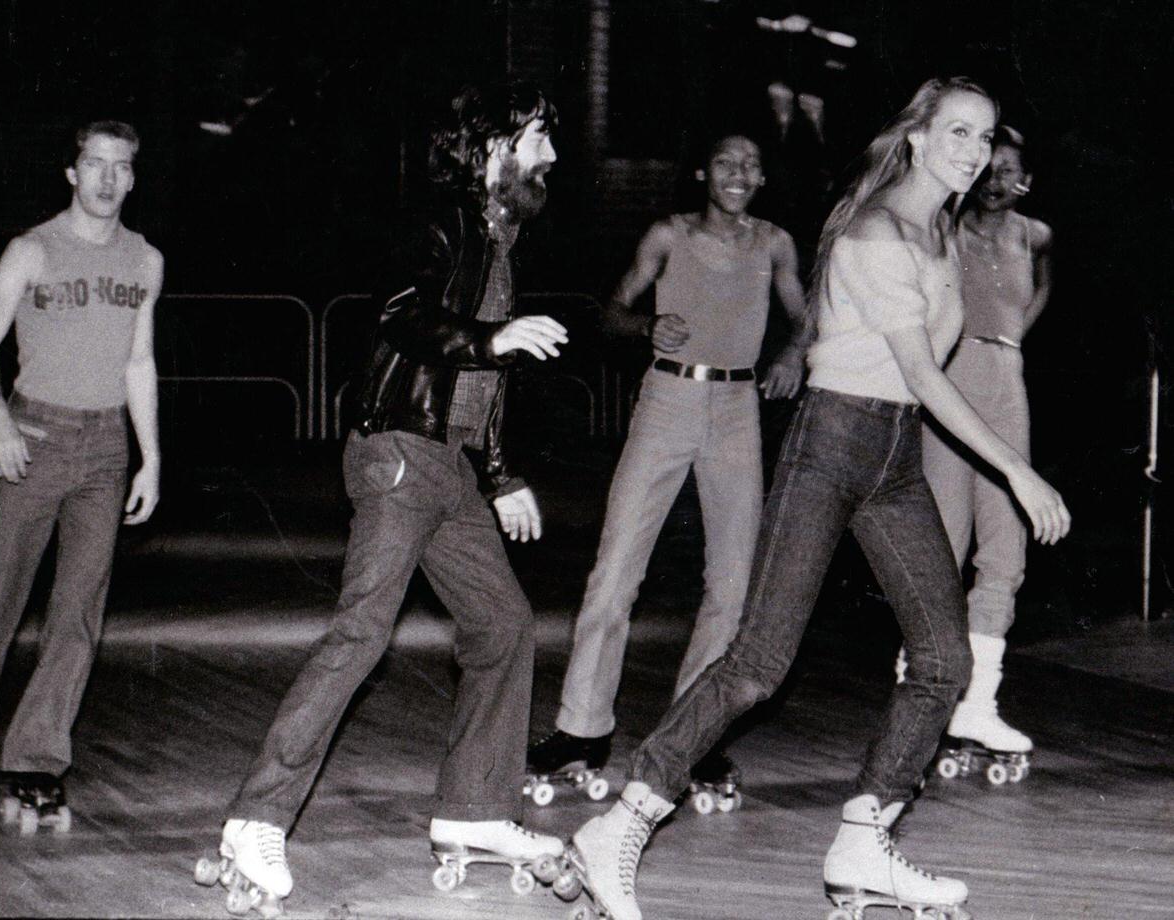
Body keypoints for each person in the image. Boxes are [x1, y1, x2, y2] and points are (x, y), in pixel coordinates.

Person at [558, 77, 1070, 920]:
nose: (974, 151)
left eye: (983, 137)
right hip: (834, 443)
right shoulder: (876, 233)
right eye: (957, 133)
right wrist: (1016, 470)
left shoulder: (939, 230)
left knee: (945, 661)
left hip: (895, 454)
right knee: (759, 662)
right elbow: (918, 373)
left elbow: (935, 375)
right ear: (915, 137)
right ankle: (618, 826)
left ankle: (864, 839)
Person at [201, 83, 570, 913]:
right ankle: (255, 817)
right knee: (363, 629)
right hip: (399, 453)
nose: (552, 157)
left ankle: (475, 810)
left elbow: (489, 379)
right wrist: (489, 336)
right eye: (540, 137)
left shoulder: (503, 242)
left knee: (503, 623)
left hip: (454, 469)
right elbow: (407, 317)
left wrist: (504, 473)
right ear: (492, 148)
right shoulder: (437, 222)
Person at [526, 134, 811, 806]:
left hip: (738, 405)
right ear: (702, 172)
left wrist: (794, 355)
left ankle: (693, 734)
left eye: (750, 165)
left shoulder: (775, 244)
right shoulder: (668, 234)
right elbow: (613, 308)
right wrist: (641, 329)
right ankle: (582, 729)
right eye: (725, 163)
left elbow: (809, 316)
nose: (738, 173)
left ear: (762, 176)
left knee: (733, 580)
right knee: (617, 564)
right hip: (668, 398)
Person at [0, 120, 162, 831]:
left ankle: (37, 762)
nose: (108, 178)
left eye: (122, 166)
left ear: (133, 178)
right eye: (94, 163)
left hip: (105, 448)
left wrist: (152, 457)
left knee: (77, 614)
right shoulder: (32, 249)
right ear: (71, 173)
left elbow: (138, 361)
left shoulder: (145, 259)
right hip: (33, 436)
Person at [920, 126, 1053, 768]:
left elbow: (1038, 291)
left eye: (1011, 171)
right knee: (942, 543)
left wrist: (1009, 341)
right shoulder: (942, 227)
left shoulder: (1037, 236)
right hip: (949, 384)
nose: (998, 181)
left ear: (1025, 178)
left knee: (1005, 547)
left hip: (1007, 385)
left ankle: (978, 704)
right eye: (988, 167)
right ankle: (920, 693)